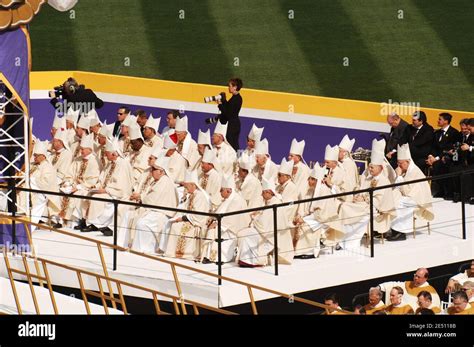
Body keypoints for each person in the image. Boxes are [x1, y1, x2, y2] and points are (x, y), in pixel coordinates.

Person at [125, 156, 178, 254]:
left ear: (161, 171)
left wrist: (140, 197)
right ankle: (135, 247)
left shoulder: (165, 181)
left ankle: (146, 250)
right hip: (154, 210)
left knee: (142, 224)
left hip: (162, 213)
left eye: (154, 169)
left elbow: (153, 198)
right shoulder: (158, 180)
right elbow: (150, 196)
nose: (151, 171)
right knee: (132, 216)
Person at [82, 138, 133, 235]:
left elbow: (121, 185)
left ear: (114, 154)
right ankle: (92, 222)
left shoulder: (123, 164)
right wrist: (96, 186)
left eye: (107, 153)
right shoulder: (110, 163)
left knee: (97, 198)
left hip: (118, 193)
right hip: (108, 191)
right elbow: (102, 178)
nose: (105, 155)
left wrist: (105, 190)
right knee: (91, 194)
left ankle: (95, 224)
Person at [162, 170, 211, 260]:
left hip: (196, 223)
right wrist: (178, 216)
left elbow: (198, 215)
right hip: (190, 219)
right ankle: (169, 251)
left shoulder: (200, 196)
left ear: (193, 185)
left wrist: (183, 218)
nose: (186, 188)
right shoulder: (191, 195)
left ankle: (184, 253)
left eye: (187, 186)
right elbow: (185, 208)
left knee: (176, 227)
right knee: (170, 224)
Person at [388, 144, 434, 241]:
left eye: (401, 163)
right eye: (398, 163)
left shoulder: (414, 171)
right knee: (392, 199)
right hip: (409, 197)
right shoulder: (406, 170)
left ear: (408, 162)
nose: (399, 165)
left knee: (398, 204)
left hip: (417, 199)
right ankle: (394, 230)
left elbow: (406, 191)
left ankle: (400, 232)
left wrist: (399, 177)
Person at [200, 175, 249, 264]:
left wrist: (217, 224)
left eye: (221, 190)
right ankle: (208, 255)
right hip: (225, 225)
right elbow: (221, 211)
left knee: (215, 231)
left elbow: (231, 218)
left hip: (232, 229)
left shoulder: (237, 200)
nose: (220, 193)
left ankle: (219, 258)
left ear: (229, 190)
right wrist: (212, 218)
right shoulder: (228, 199)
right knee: (208, 227)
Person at [237, 177, 283, 267]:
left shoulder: (275, 203)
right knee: (242, 233)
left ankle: (253, 261)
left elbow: (263, 223)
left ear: (269, 193)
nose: (261, 195)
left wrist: (254, 217)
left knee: (244, 234)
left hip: (268, 235)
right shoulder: (269, 202)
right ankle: (246, 260)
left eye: (263, 192)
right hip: (263, 230)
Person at [426, 113, 461, 199]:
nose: (438, 121)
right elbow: (433, 146)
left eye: (440, 119)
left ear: (446, 121)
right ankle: (440, 190)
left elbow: (450, 148)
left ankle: (447, 191)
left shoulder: (454, 133)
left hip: (446, 157)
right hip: (435, 157)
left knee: (440, 165)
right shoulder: (437, 132)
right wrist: (431, 156)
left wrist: (437, 158)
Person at [205, 78, 243, 151]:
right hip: (233, 123)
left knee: (232, 144)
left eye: (230, 86)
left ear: (235, 87)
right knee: (232, 143)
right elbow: (228, 107)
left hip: (233, 125)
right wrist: (224, 100)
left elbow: (227, 113)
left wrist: (220, 104)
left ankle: (237, 159)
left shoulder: (237, 99)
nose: (228, 88)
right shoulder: (235, 97)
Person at [450, 118, 472, 202]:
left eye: (465, 129)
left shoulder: (472, 136)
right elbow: (455, 147)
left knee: (464, 171)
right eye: (462, 129)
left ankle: (466, 195)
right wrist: (453, 151)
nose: (463, 131)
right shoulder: (459, 135)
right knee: (453, 169)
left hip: (469, 160)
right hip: (459, 159)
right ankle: (456, 193)